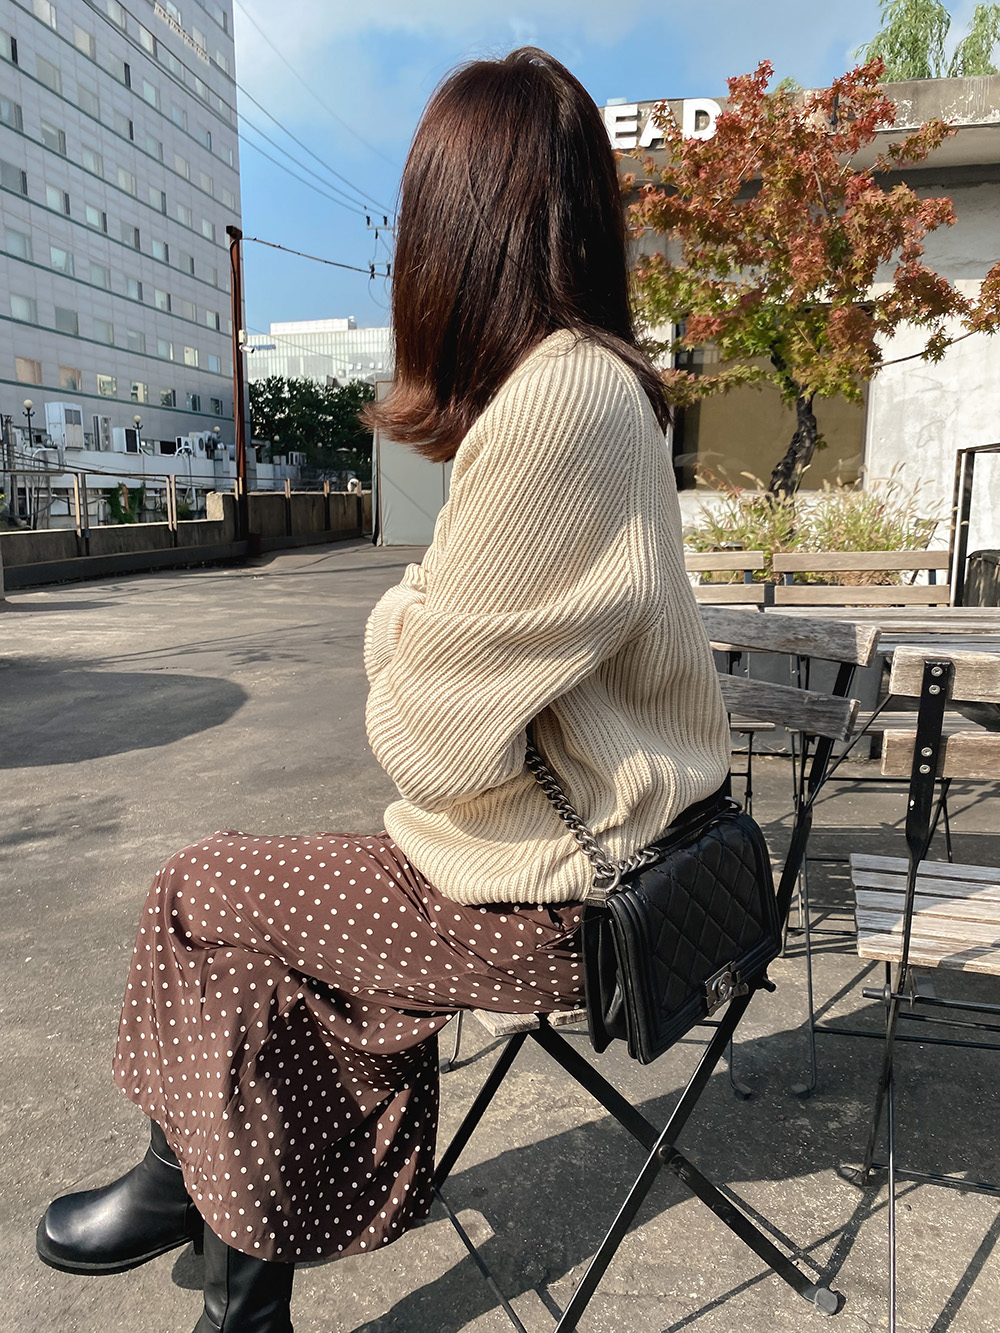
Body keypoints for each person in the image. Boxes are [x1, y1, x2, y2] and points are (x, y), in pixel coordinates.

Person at [36, 47, 731, 1333]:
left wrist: (407, 618)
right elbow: (441, 635)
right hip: (587, 862)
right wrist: (421, 617)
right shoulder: (586, 386)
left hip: (566, 898)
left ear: (454, 230)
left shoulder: (557, 402)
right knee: (261, 957)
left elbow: (426, 738)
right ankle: (234, 1281)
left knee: (199, 890)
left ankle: (189, 1192)